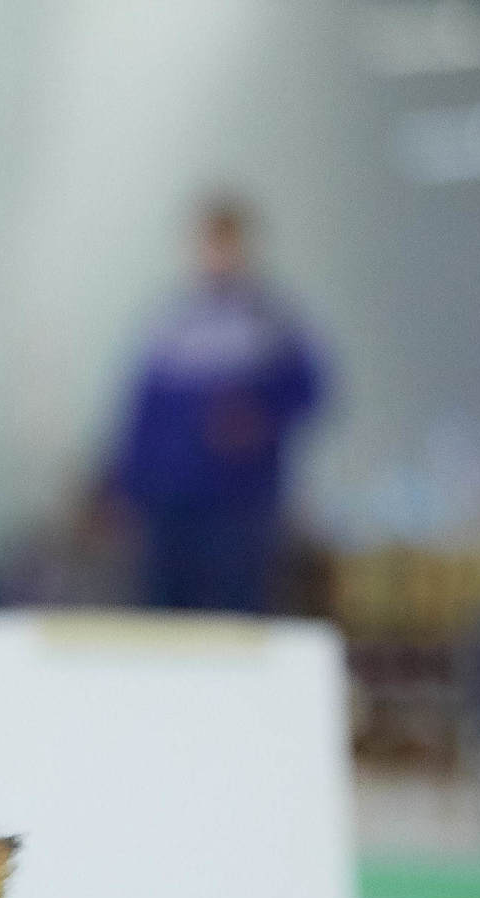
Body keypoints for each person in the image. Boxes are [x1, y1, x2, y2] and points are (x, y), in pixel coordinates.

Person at [110, 195, 327, 614]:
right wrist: (124, 485)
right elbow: (141, 416)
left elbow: (310, 391)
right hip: (169, 504)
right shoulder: (172, 323)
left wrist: (261, 419)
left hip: (239, 505)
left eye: (227, 242)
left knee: (235, 611)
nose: (217, 254)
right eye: (210, 242)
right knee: (166, 614)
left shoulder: (270, 324)